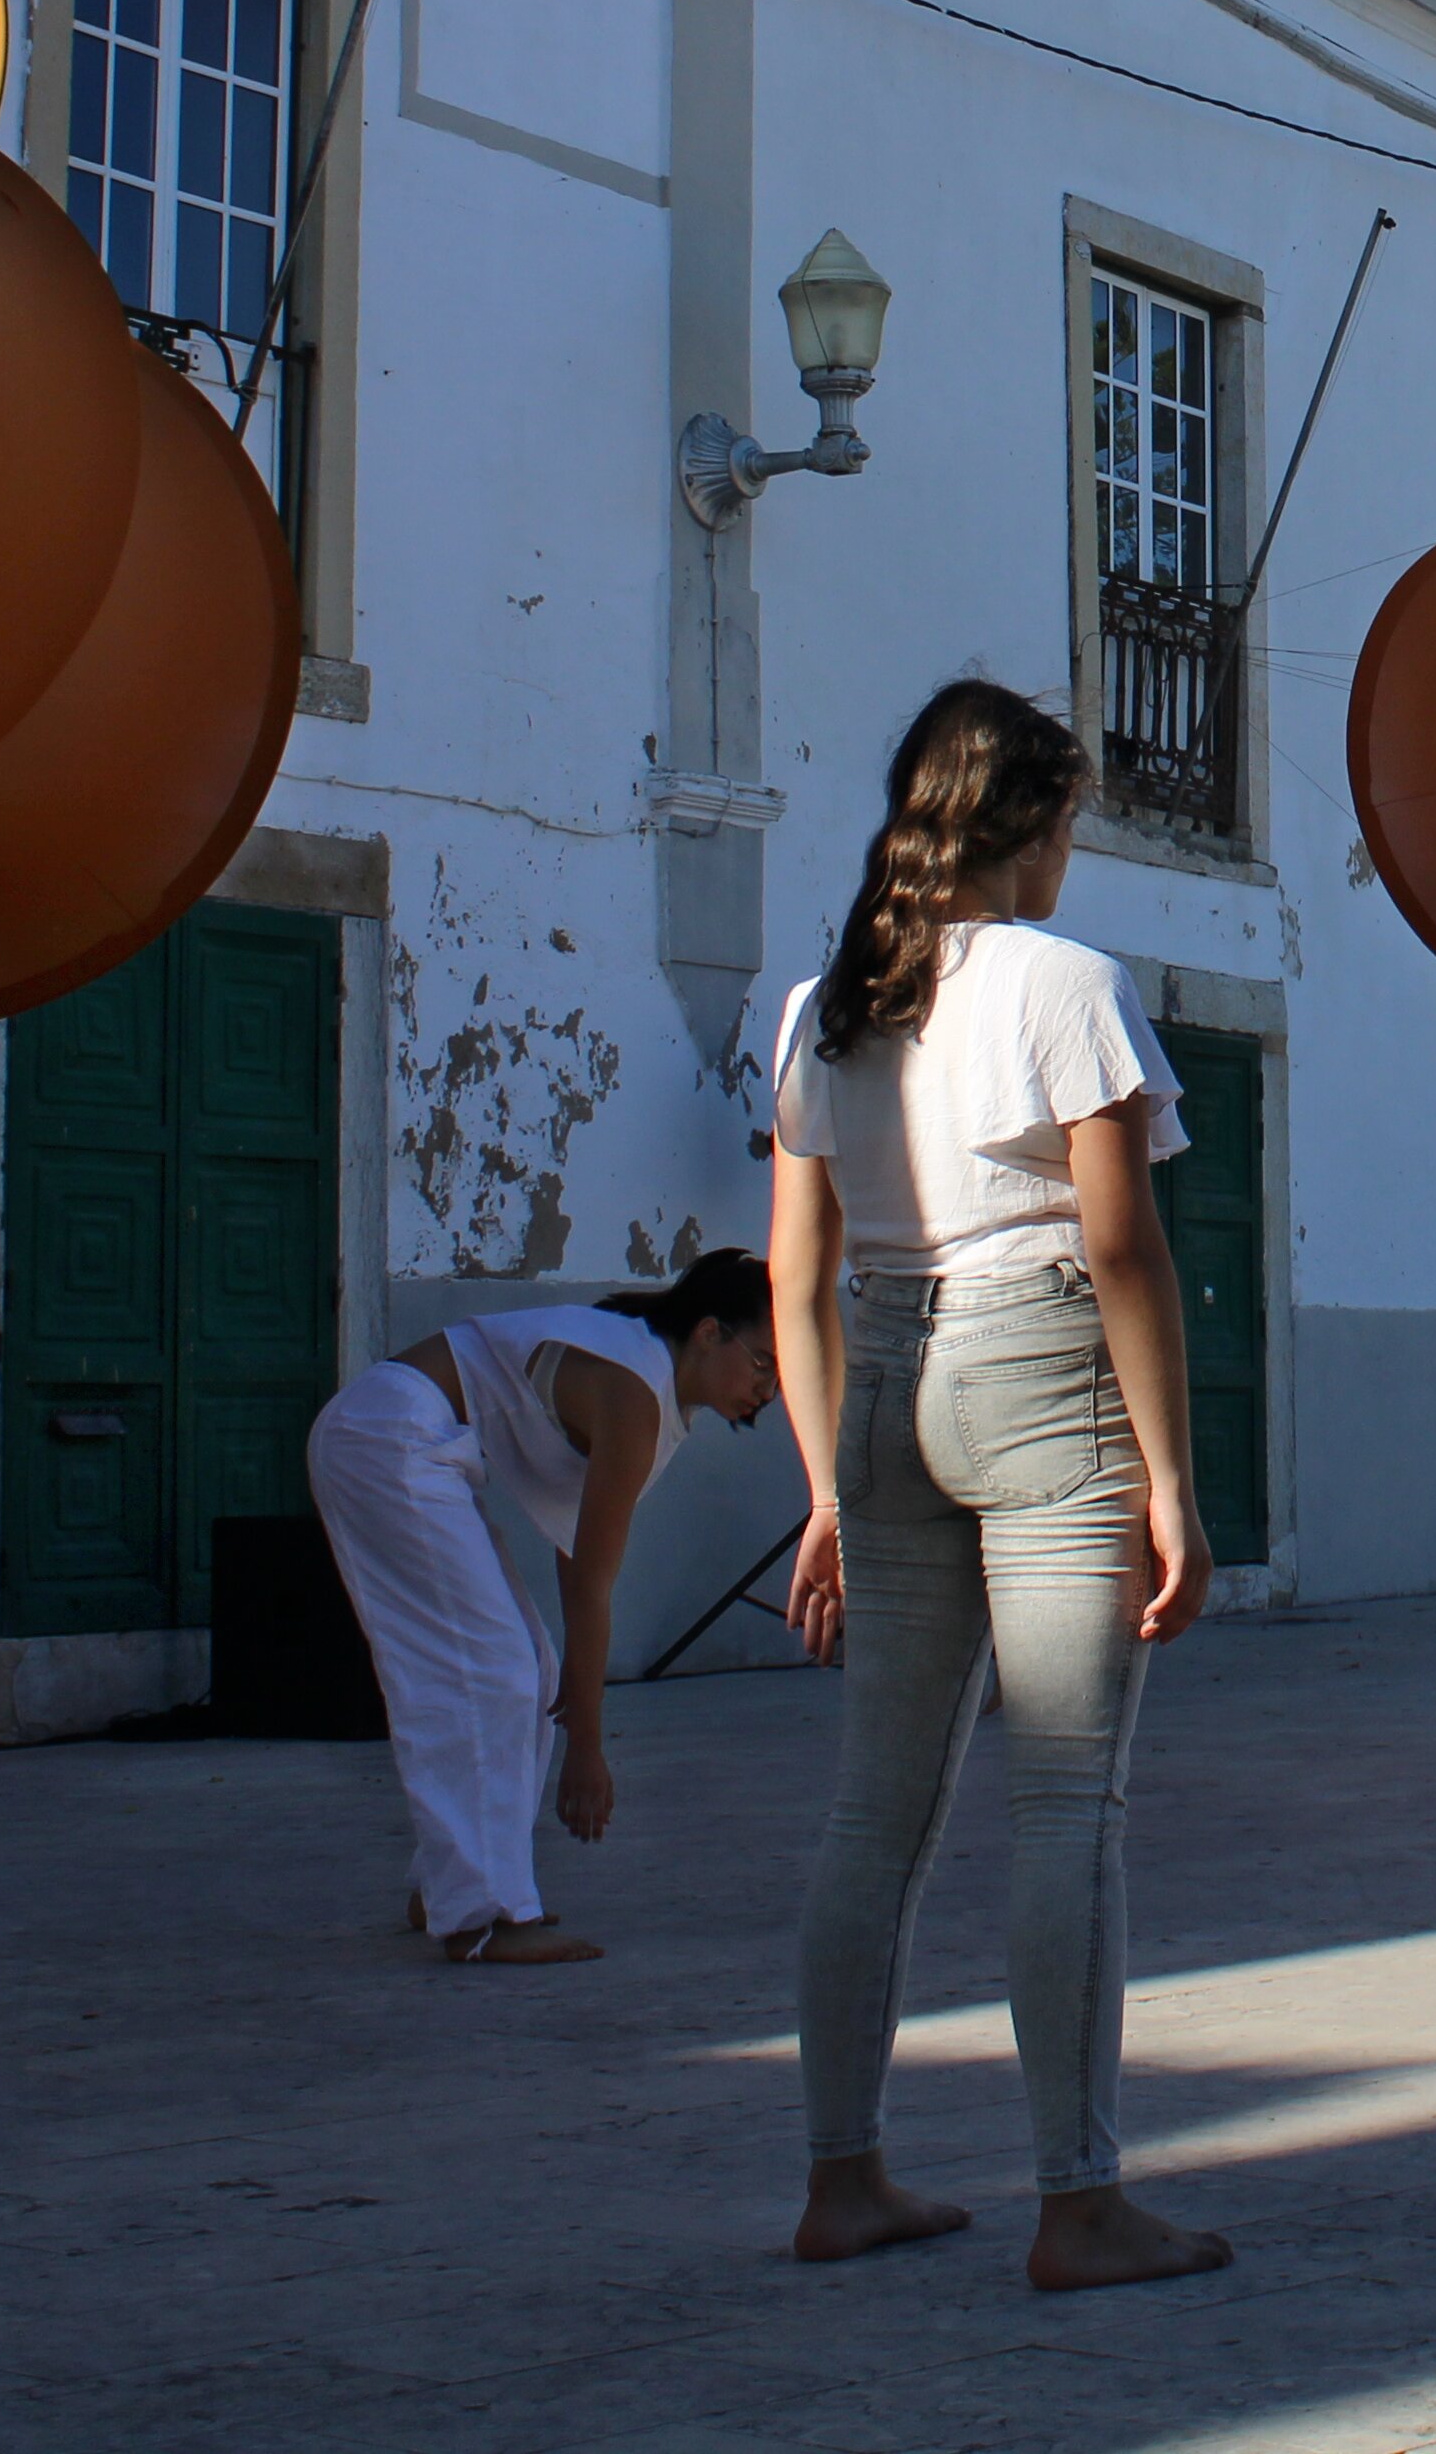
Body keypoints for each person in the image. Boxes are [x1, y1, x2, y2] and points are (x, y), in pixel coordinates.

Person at [767, 680, 1228, 2294]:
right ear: (1031, 824)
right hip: (1039, 1374)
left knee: (875, 1812)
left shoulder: (828, 1003)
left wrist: (827, 1486)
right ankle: (1078, 2198)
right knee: (1064, 1802)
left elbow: (797, 1271)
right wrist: (1170, 1478)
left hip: (886, 1379)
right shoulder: (1064, 985)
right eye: (1070, 827)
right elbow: (1120, 1246)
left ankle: (843, 2176)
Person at [302, 1246, 778, 1961]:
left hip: (411, 1446)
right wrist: (585, 1748)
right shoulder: (633, 1390)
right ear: (709, 1332)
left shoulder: (649, 1389)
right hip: (386, 1440)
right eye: (765, 1362)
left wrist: (580, 1718)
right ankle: (482, 1918)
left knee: (529, 1672)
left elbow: (576, 1557)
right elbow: (590, 1582)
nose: (770, 1389)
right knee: (492, 1674)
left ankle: (450, 1889)